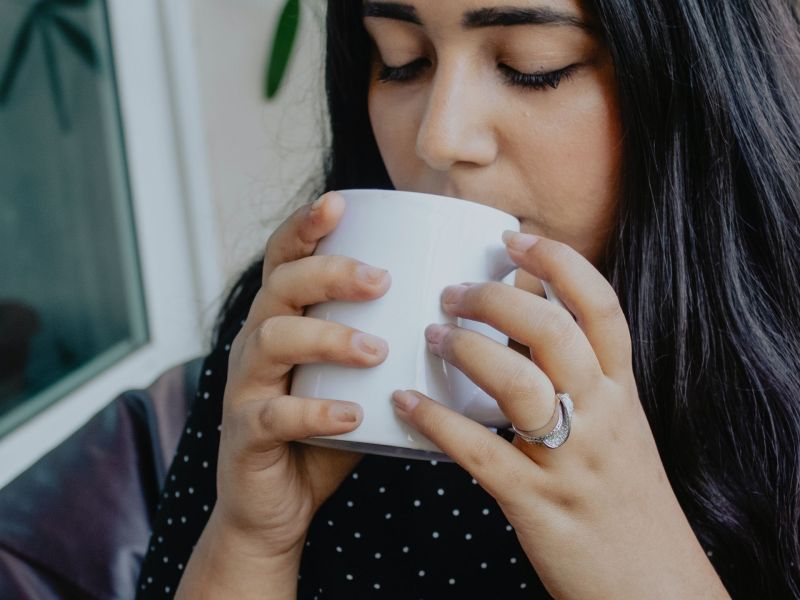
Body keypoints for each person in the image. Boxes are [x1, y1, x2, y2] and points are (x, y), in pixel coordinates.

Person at [135, 0, 800, 597]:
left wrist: (646, 567)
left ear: (690, 78)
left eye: (534, 68)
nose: (438, 138)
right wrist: (251, 539)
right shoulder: (297, 320)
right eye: (402, 61)